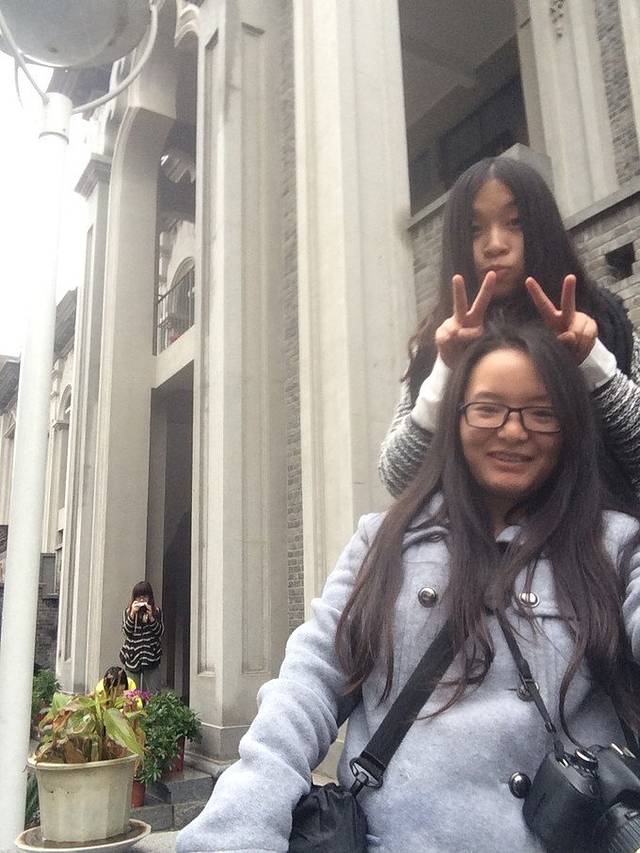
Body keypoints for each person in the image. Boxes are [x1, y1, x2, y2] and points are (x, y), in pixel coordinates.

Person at [176, 324, 640, 852]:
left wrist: (600, 367)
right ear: (454, 419)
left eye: (542, 413)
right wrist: (239, 826)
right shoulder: (386, 538)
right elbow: (310, 682)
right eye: (487, 409)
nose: (513, 432)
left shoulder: (615, 545)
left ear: (569, 427)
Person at [378, 156, 640, 504]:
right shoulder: (438, 339)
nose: (495, 244)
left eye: (515, 223)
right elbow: (398, 477)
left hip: (591, 532)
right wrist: (446, 369)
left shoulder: (601, 319)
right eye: (474, 230)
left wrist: (593, 362)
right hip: (472, 536)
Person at [119, 581, 164, 693]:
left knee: (154, 693)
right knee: (132, 694)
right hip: (132, 657)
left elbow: (160, 632)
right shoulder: (128, 611)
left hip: (151, 656)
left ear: (150, 597)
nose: (142, 599)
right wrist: (132, 615)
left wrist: (151, 617)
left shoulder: (156, 611)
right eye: (138, 596)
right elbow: (126, 632)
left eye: (145, 596)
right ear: (134, 598)